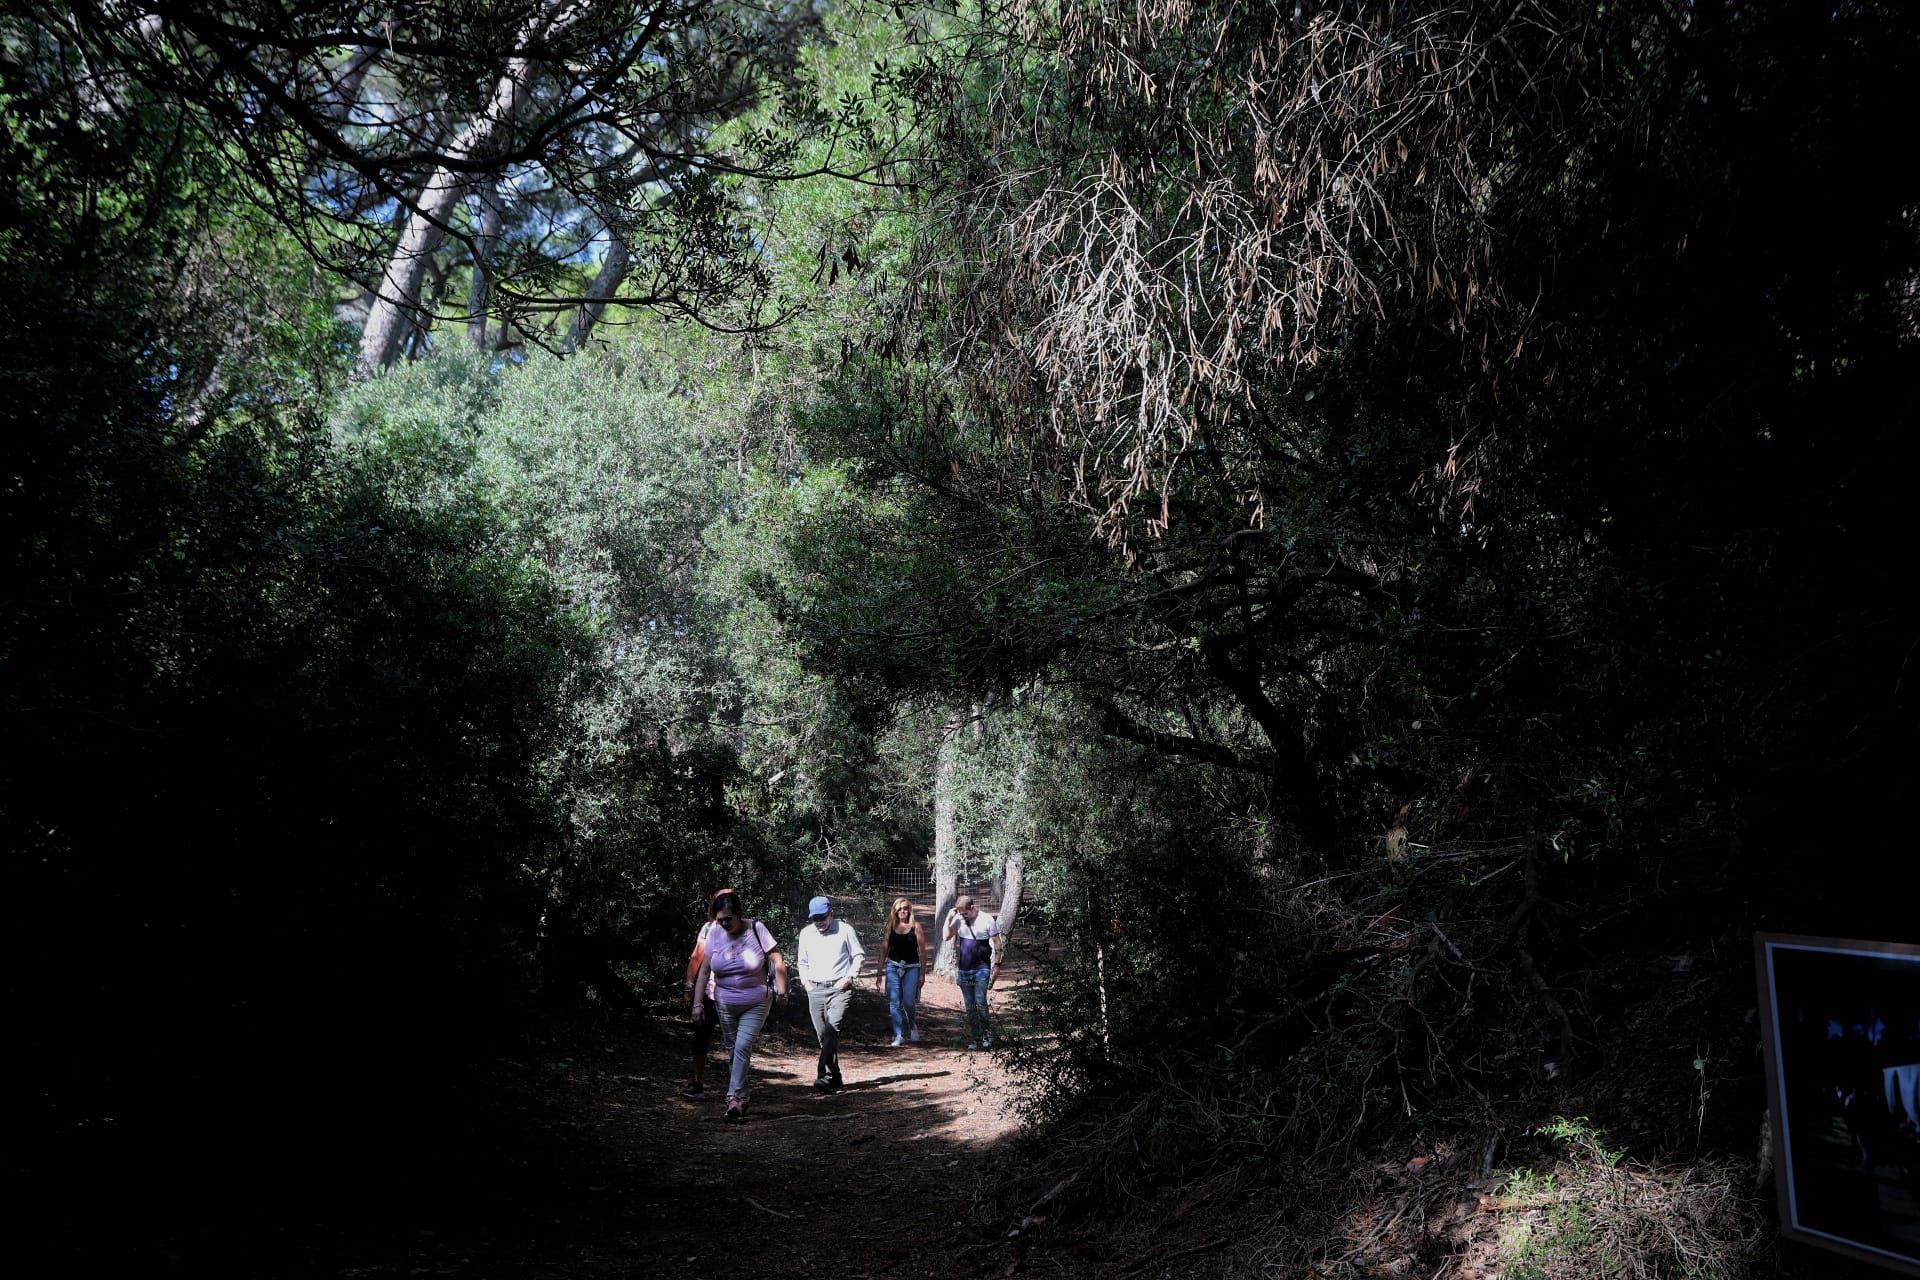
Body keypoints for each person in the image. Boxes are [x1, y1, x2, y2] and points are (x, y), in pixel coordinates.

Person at [688, 891, 789, 1123]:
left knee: (742, 1046)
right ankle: (742, 1099)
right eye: (720, 919)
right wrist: (697, 1003)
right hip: (724, 1002)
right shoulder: (714, 933)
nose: (723, 924)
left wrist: (782, 989)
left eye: (728, 919)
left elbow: (776, 957)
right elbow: (704, 971)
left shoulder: (757, 929)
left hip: (756, 1001)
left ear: (739, 914)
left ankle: (732, 1098)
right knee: (734, 1050)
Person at [795, 894, 865, 1090]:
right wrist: (806, 984)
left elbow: (858, 955)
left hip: (839, 989)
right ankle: (835, 1076)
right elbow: (802, 962)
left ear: (831, 914)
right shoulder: (806, 934)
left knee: (831, 1030)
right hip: (815, 989)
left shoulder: (845, 930)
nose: (819, 922)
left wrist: (850, 977)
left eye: (822, 918)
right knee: (823, 1036)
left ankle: (823, 1076)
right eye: (815, 919)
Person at [680, 888, 737, 1099]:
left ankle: (736, 1087)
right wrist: (689, 985)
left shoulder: (745, 927)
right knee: (701, 1036)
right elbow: (697, 958)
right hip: (709, 992)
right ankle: (697, 1082)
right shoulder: (708, 929)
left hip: (734, 994)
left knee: (735, 1040)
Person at [943, 894, 1003, 1048]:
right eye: (960, 913)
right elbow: (946, 937)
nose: (962, 916)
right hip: (964, 969)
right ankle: (976, 1038)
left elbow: (997, 943)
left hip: (981, 968)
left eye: (964, 913)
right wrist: (948, 918)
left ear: (972, 908)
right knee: (969, 1006)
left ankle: (986, 1035)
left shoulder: (987, 919)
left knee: (980, 1001)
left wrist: (997, 964)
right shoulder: (958, 919)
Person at [878, 896, 930, 1047]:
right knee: (894, 1002)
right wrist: (879, 972)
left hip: (912, 967)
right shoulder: (890, 926)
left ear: (909, 910)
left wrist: (922, 973)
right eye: (899, 908)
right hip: (893, 967)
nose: (903, 911)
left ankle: (912, 1025)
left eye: (905, 908)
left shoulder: (916, 927)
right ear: (895, 911)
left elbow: (922, 952)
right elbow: (883, 949)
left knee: (908, 1001)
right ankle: (898, 1035)